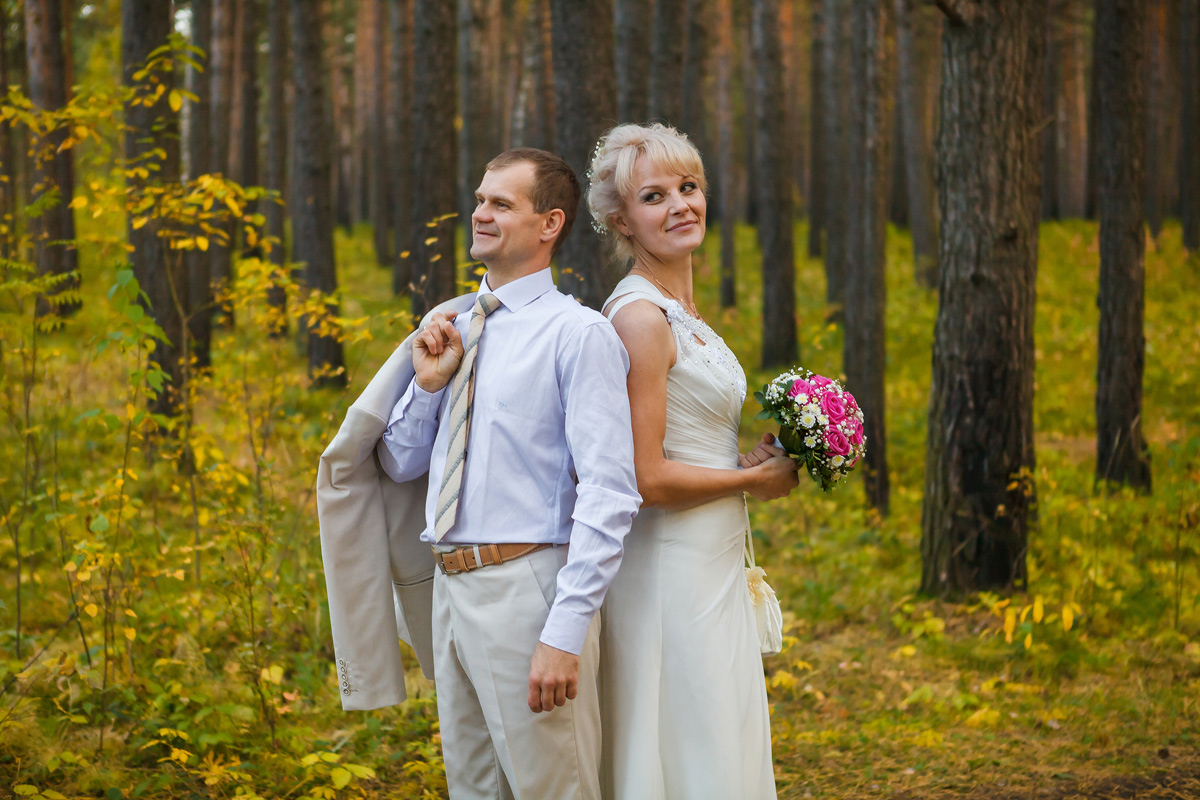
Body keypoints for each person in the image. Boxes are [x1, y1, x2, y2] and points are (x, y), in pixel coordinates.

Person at [318, 147, 640, 800]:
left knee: (556, 789)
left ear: (549, 224)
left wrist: (564, 631)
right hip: (452, 593)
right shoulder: (454, 326)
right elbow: (402, 461)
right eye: (480, 199)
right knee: (472, 791)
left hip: (530, 589)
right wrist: (431, 386)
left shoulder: (577, 336)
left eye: (500, 203)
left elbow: (610, 493)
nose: (480, 214)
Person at [587, 122, 799, 800]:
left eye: (689, 187)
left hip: (711, 556)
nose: (681, 204)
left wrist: (744, 458)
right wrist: (751, 480)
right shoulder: (640, 319)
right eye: (655, 196)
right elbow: (644, 476)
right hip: (667, 569)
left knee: (718, 726)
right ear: (622, 219)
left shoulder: (684, 313)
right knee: (687, 733)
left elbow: (683, 443)